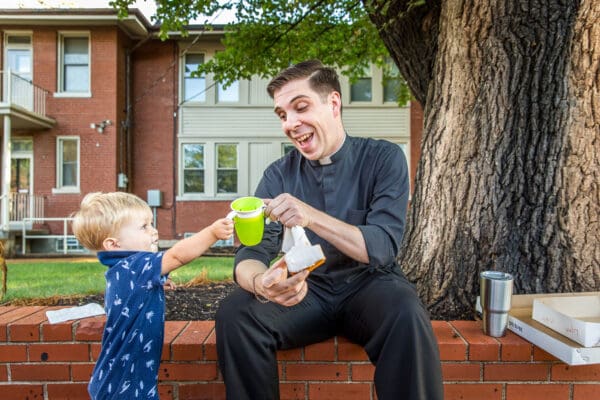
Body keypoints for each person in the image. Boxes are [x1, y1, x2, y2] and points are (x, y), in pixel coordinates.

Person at [215, 60, 443, 400]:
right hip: (309, 291)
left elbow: (381, 246)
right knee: (235, 313)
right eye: (282, 115)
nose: (290, 124)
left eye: (300, 107)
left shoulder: (384, 158)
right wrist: (261, 283)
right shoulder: (278, 175)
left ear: (333, 103)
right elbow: (252, 251)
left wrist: (309, 215)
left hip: (371, 284)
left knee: (407, 312)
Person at [72, 192, 233, 399]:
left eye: (151, 224)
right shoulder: (135, 265)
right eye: (144, 227)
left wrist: (153, 288)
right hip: (123, 385)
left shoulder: (124, 270)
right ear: (113, 244)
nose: (154, 231)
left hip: (121, 378)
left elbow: (130, 296)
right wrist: (212, 233)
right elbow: (176, 255)